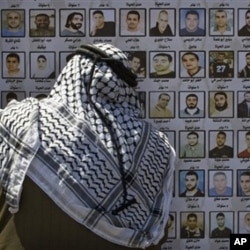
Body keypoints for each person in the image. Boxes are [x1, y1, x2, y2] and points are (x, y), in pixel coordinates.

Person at [0, 43, 175, 249]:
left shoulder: (21, 120)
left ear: (69, 74)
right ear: (125, 86)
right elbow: (156, 229)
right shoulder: (156, 145)